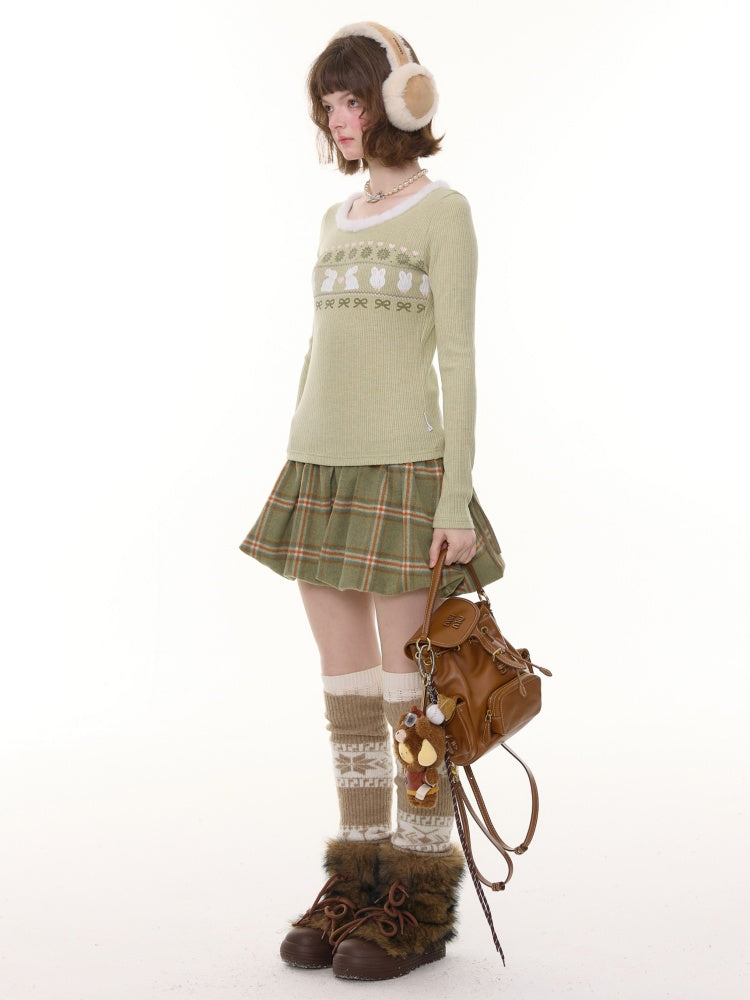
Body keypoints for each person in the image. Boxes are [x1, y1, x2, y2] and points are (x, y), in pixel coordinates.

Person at [240, 21, 505, 981]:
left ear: (401, 101)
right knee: (347, 693)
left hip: (404, 473)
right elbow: (319, 352)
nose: (337, 119)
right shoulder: (334, 219)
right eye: (328, 104)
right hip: (320, 469)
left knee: (410, 697)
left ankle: (420, 900)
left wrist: (455, 499)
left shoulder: (445, 212)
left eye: (352, 99)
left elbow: (460, 360)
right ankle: (358, 879)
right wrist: (298, 454)